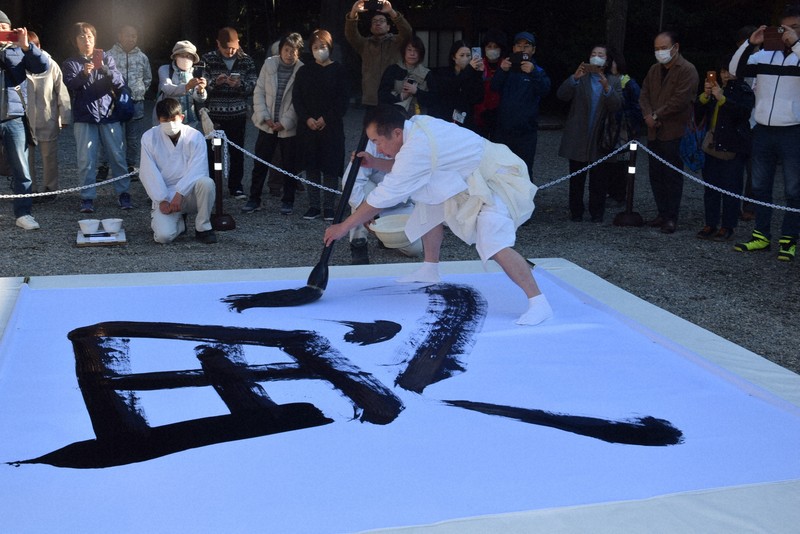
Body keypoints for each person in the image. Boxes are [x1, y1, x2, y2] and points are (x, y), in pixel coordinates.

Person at [323, 105, 553, 326]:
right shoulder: (417, 126)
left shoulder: (417, 146)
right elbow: (406, 165)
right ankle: (429, 269)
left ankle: (538, 301)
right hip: (465, 177)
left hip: (496, 180)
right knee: (429, 201)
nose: (378, 147)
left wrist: (343, 227)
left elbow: (382, 196)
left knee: (493, 242)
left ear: (396, 132)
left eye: (377, 142)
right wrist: (374, 162)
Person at [731, 8, 800, 262]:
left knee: (794, 189)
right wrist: (751, 43)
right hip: (762, 128)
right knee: (760, 186)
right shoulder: (764, 55)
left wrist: (796, 44)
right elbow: (735, 71)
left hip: (793, 129)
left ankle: (789, 239)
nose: (789, 32)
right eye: (785, 27)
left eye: (796, 27)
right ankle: (761, 234)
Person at [62, 22, 134, 213]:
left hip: (109, 114)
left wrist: (105, 70)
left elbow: (120, 83)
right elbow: (70, 84)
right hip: (85, 116)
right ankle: (87, 197)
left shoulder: (107, 59)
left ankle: (123, 193)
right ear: (75, 41)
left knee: (117, 156)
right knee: (86, 160)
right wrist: (84, 74)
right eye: (82, 37)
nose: (87, 40)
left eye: (90, 36)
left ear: (95, 39)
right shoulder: (70, 63)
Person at [638, 30, 699, 234]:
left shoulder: (687, 70)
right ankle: (661, 212)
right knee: (656, 174)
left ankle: (671, 217)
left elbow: (680, 100)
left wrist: (656, 116)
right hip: (653, 131)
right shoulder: (654, 69)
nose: (660, 52)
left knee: (672, 175)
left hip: (675, 131)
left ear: (675, 47)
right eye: (656, 49)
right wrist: (648, 114)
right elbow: (644, 93)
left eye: (663, 48)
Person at [557, 45, 622, 223]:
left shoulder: (614, 80)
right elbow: (562, 95)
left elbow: (617, 106)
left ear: (607, 60)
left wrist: (607, 88)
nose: (596, 57)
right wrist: (574, 79)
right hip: (578, 134)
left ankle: (597, 212)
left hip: (601, 136)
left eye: (601, 55)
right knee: (576, 177)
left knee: (599, 179)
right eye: (593, 54)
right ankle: (576, 211)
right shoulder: (581, 77)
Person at [139, 97, 216, 244]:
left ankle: (203, 227)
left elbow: (198, 169)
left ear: (181, 117)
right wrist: (161, 199)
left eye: (173, 119)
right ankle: (180, 225)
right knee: (163, 237)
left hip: (190, 193)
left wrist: (180, 192)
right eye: (165, 120)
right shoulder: (149, 137)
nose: (170, 124)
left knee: (206, 183)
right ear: (158, 120)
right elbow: (148, 171)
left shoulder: (195, 136)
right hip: (166, 195)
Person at [243, 32, 304, 215]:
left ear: (298, 52)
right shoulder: (269, 64)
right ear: (281, 49)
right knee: (260, 163)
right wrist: (264, 116)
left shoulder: (302, 70)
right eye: (286, 50)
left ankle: (288, 200)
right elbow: (259, 91)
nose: (290, 54)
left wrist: (285, 122)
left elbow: (300, 101)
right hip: (267, 123)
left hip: (288, 127)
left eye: (294, 51)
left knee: (289, 164)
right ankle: (254, 199)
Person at [293, 29, 348, 222]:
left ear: (330, 47)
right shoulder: (304, 71)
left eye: (322, 46)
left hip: (331, 127)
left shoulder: (339, 70)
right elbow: (297, 98)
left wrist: (327, 118)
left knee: (331, 167)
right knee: (312, 166)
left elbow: (343, 100)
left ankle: (329, 206)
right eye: (315, 47)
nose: (319, 50)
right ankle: (314, 205)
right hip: (308, 127)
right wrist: (307, 118)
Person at [695, 60, 753, 242]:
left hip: (733, 145)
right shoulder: (717, 89)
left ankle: (728, 226)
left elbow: (743, 114)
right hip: (713, 144)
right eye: (723, 71)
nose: (726, 75)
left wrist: (722, 99)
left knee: (731, 187)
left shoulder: (744, 90)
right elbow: (698, 115)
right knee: (711, 186)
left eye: (730, 71)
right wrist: (705, 96)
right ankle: (710, 223)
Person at [0, 13, 48, 230]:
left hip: (14, 117)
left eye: (4, 27)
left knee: (21, 168)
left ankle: (23, 213)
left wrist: (26, 45)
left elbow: (42, 66)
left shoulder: (19, 49)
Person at [344, 139, 422, 264]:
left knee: (415, 250)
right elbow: (352, 182)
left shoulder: (416, 144)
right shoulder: (371, 143)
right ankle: (358, 241)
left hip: (400, 202)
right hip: (372, 192)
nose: (379, 149)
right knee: (359, 193)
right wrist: (363, 212)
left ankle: (383, 235)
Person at [201, 27, 257, 199]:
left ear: (238, 43)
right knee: (212, 153)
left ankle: (236, 186)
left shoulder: (246, 60)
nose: (230, 51)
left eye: (233, 47)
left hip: (237, 113)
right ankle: (213, 185)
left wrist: (238, 85)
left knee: (237, 152)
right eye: (226, 48)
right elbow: (201, 84)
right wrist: (214, 83)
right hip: (214, 114)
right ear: (218, 44)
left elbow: (254, 84)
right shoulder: (208, 59)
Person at [491, 31, 551, 178]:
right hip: (503, 130)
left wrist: (533, 73)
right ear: (513, 48)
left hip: (526, 132)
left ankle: (525, 200)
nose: (522, 49)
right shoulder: (507, 67)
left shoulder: (538, 70)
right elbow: (494, 87)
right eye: (519, 45)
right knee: (501, 170)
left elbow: (545, 90)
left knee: (524, 169)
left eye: (527, 46)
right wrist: (502, 71)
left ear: (533, 50)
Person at [25, 31, 70, 201]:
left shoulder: (51, 64)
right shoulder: (17, 63)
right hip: (24, 119)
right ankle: (29, 190)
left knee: (49, 157)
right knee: (25, 158)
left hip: (47, 118)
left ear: (39, 47)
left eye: (33, 46)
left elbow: (62, 92)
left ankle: (50, 189)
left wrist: (64, 116)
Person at [345, 0, 412, 107]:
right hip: (371, 98)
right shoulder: (364, 44)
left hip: (394, 96)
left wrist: (391, 11)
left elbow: (407, 32)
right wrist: (353, 12)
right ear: (371, 28)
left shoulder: (397, 42)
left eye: (382, 20)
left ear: (388, 27)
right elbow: (351, 34)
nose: (378, 23)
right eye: (374, 21)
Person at [108, 24, 151, 171]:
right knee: (114, 137)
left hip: (136, 102)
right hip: (115, 102)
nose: (131, 39)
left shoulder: (142, 57)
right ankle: (111, 166)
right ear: (120, 36)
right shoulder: (109, 55)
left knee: (133, 139)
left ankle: (131, 166)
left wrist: (140, 91)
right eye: (127, 35)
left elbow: (148, 78)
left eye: (134, 36)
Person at [605, 49, 643, 205]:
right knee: (608, 161)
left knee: (622, 162)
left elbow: (637, 106)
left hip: (623, 128)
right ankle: (610, 191)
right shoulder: (605, 79)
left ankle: (620, 193)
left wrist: (632, 126)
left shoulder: (628, 83)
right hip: (610, 126)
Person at [428, 40, 484, 131]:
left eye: (468, 55)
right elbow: (451, 86)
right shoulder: (444, 73)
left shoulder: (472, 74)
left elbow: (478, 98)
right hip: (445, 118)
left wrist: (478, 75)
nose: (466, 58)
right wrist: (469, 70)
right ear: (454, 57)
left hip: (465, 120)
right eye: (462, 55)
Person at [156, 41, 207, 131]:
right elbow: (167, 88)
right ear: (175, 56)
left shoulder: (196, 72)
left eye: (189, 56)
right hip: (168, 118)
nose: (186, 59)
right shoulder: (165, 69)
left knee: (189, 144)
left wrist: (201, 90)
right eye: (182, 55)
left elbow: (200, 99)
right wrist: (187, 86)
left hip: (191, 121)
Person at [377, 35, 433, 116]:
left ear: (421, 53)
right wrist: (401, 96)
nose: (412, 54)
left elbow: (433, 99)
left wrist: (417, 91)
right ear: (404, 52)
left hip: (419, 115)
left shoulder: (427, 73)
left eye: (416, 51)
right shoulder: (393, 69)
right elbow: (382, 95)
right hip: (394, 113)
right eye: (409, 50)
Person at [473, 29, 507, 139]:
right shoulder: (478, 64)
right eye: (489, 46)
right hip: (480, 114)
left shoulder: (507, 65)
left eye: (496, 47)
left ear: (501, 48)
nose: (492, 50)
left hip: (501, 114)